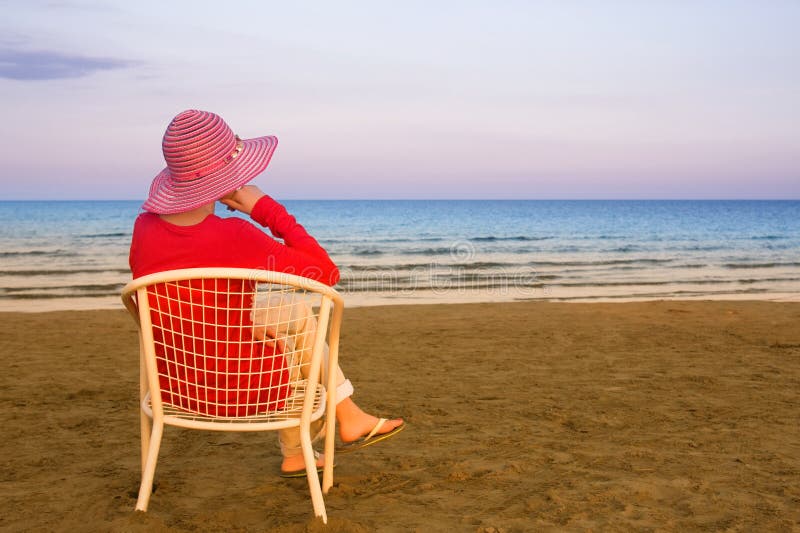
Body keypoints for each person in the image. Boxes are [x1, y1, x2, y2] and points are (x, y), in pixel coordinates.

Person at [129, 109, 404, 476]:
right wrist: (265, 209)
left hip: (175, 386)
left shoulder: (144, 228)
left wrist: (242, 323)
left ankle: (331, 427)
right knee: (299, 335)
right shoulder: (236, 237)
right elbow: (325, 273)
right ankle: (329, 426)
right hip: (246, 389)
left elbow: (182, 303)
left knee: (293, 312)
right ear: (227, 179)